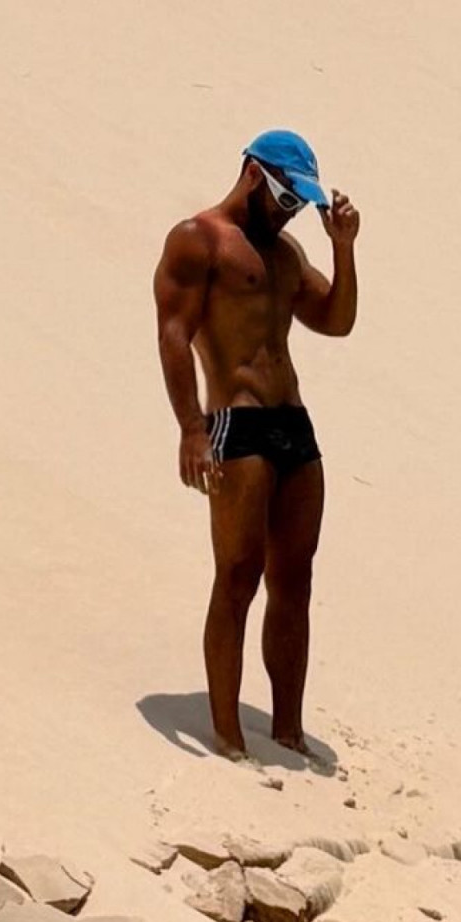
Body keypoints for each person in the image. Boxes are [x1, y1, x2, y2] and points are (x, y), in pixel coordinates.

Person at [153, 131, 360, 761]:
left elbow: (336, 321)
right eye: (283, 197)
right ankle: (228, 736)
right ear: (252, 174)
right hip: (236, 425)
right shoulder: (199, 240)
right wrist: (191, 428)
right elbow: (172, 334)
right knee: (238, 575)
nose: (290, 212)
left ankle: (289, 731)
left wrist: (343, 249)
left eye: (299, 203)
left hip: (294, 426)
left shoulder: (287, 253)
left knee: (295, 579)